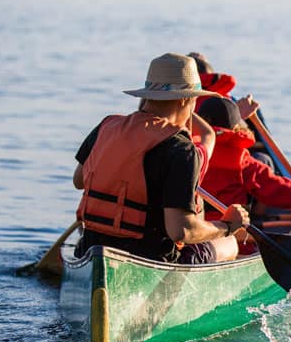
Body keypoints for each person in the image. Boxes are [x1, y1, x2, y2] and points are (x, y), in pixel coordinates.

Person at [72, 53, 250, 264]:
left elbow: (79, 180)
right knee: (230, 244)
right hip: (150, 261)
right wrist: (227, 226)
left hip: (92, 250)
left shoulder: (106, 126)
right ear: (186, 99)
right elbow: (181, 231)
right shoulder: (182, 149)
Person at [197, 97, 291, 226]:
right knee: (264, 159)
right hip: (230, 231)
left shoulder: (188, 150)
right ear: (236, 127)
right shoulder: (242, 162)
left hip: (193, 225)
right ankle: (258, 215)